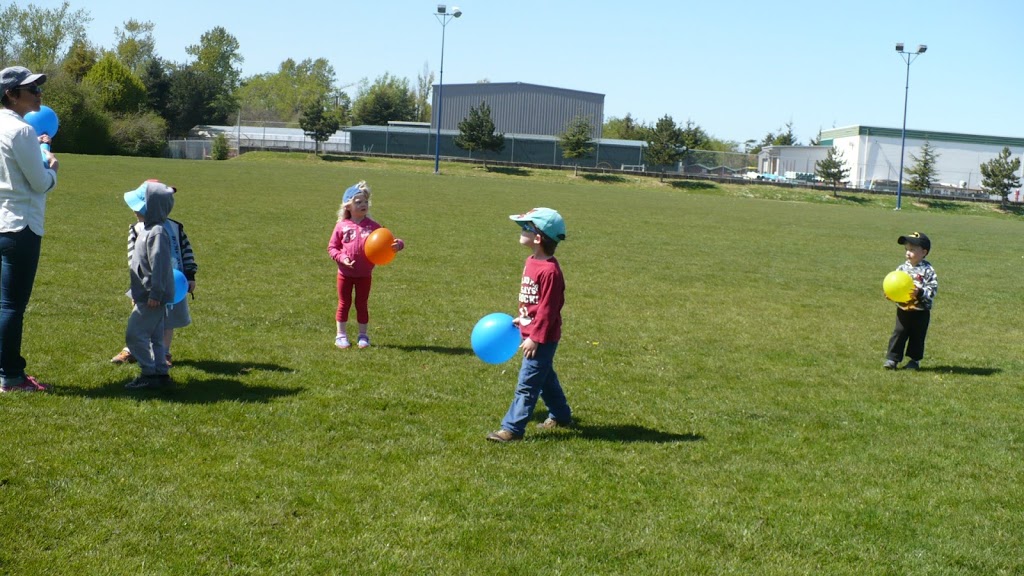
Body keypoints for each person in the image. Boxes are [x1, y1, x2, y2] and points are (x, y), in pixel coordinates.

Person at [487, 208, 572, 442]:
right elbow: (532, 300)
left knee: (527, 384)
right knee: (544, 379)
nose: (521, 230)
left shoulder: (551, 272)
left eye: (526, 227)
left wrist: (535, 336)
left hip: (542, 338)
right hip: (530, 330)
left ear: (538, 238)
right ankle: (562, 415)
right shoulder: (531, 261)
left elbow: (548, 309)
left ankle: (512, 429)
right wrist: (523, 317)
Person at [0, 66, 58, 393]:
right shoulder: (20, 132)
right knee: (11, 306)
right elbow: (39, 183)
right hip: (20, 226)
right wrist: (52, 168)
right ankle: (10, 376)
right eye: (31, 89)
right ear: (11, 94)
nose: (38, 94)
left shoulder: (15, 130)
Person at [111, 180, 197, 367]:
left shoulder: (174, 228)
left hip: (173, 284)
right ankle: (131, 350)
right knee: (141, 318)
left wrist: (190, 275)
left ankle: (163, 353)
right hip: (144, 285)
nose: (134, 211)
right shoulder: (136, 229)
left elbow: (186, 251)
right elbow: (133, 258)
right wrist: (136, 286)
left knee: (168, 320)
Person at [327, 181, 404, 349]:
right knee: (344, 303)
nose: (363, 205)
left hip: (364, 275)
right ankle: (341, 335)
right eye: (358, 202)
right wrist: (342, 258)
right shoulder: (341, 226)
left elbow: (389, 240)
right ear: (348, 206)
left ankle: (363, 336)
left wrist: (398, 245)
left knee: (362, 304)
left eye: (365, 202)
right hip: (345, 275)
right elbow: (332, 248)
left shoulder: (373, 226)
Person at [123, 181, 176, 390]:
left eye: (139, 206)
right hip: (146, 294)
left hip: (152, 297)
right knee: (155, 336)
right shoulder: (146, 229)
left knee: (134, 336)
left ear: (151, 208)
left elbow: (160, 266)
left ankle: (149, 373)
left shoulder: (157, 232)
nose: (135, 211)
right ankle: (160, 373)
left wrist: (156, 293)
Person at [883, 232, 938, 371]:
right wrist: (891, 294)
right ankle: (892, 359)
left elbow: (932, 290)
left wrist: (919, 293)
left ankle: (914, 361)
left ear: (924, 252)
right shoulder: (902, 268)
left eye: (912, 250)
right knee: (899, 332)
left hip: (921, 310)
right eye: (906, 249)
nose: (908, 253)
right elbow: (894, 284)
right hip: (903, 308)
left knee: (917, 336)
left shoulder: (928, 270)